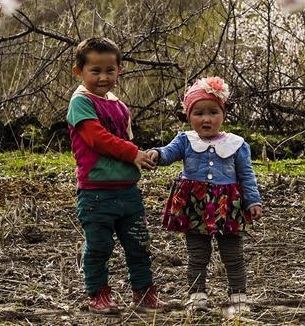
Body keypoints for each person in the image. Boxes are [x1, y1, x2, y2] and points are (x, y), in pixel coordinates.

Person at [147, 76, 263, 317]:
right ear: (189, 116)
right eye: (198, 113)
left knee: (233, 254)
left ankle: (238, 295)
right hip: (194, 207)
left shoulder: (236, 144)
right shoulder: (185, 140)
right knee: (197, 254)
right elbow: (169, 153)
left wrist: (253, 200)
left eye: (213, 112)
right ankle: (196, 295)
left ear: (224, 114)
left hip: (228, 207)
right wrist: (157, 154)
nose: (206, 119)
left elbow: (247, 175)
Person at [66, 37, 166, 314]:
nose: (103, 77)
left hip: (127, 191)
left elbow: (123, 140)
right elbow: (98, 138)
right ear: (79, 71)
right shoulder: (81, 103)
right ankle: (98, 295)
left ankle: (144, 294)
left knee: (139, 244)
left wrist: (142, 156)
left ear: (119, 70)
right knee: (98, 247)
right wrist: (133, 153)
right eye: (94, 71)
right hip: (96, 192)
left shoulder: (118, 105)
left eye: (109, 70)